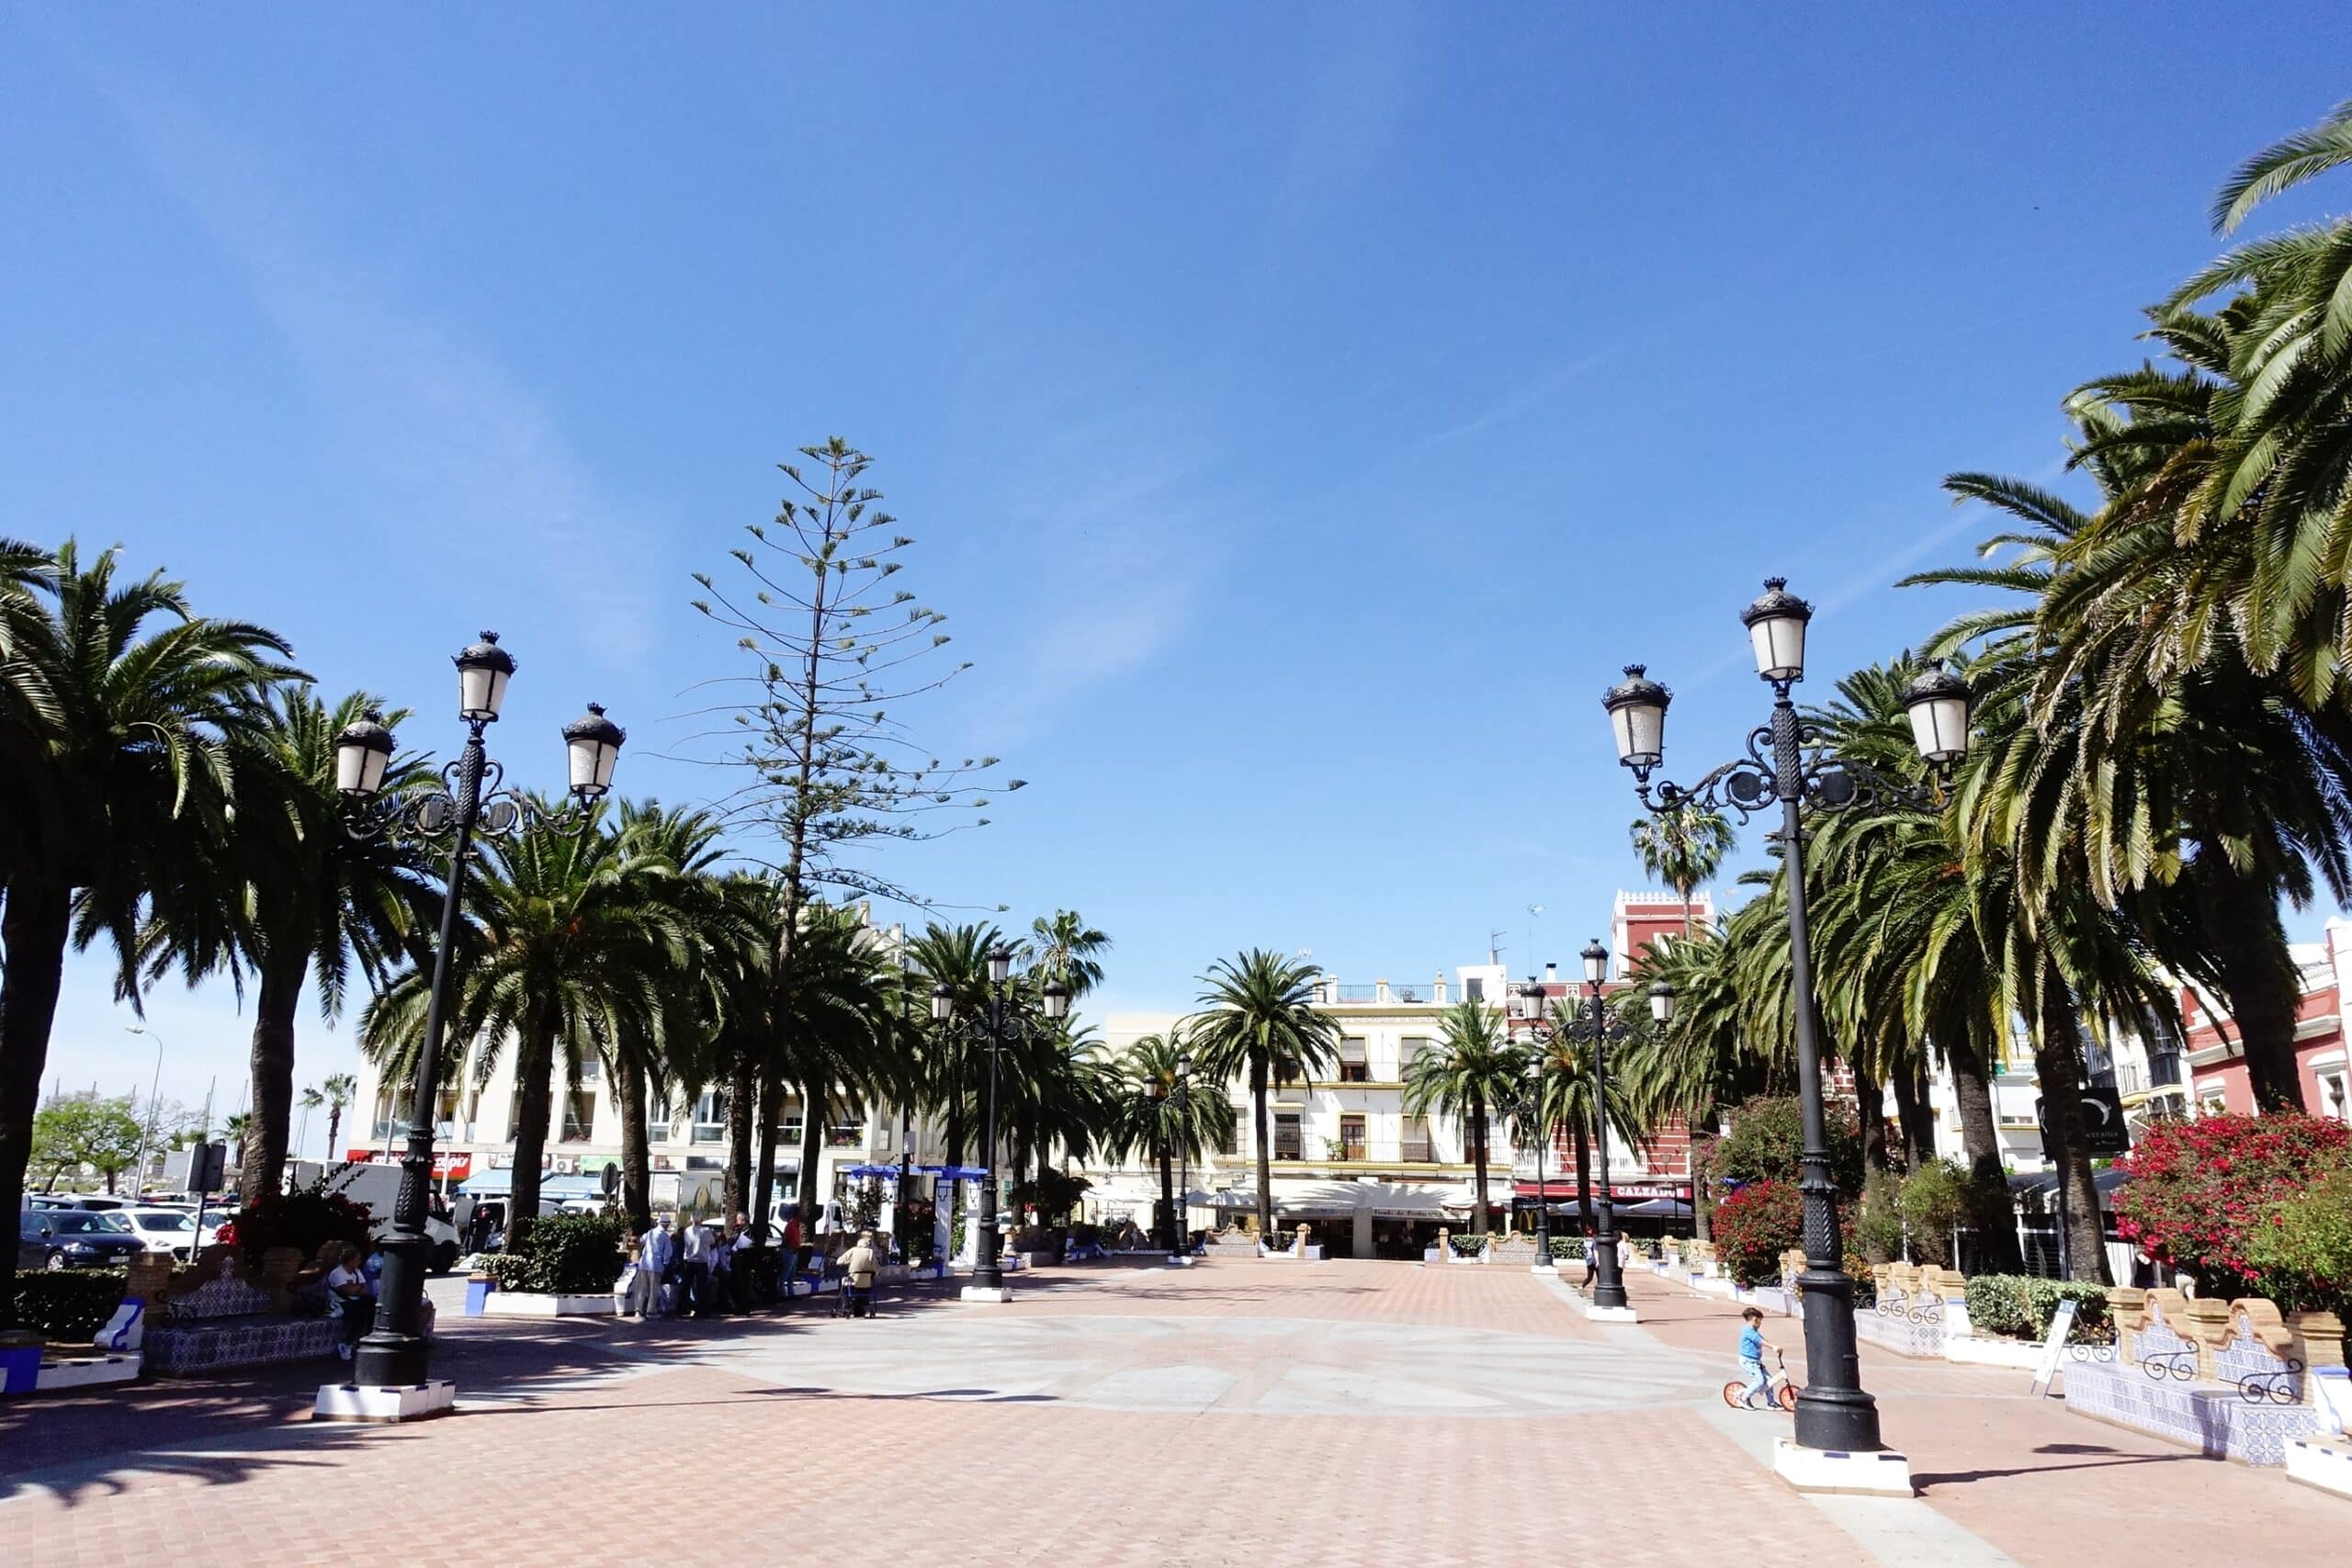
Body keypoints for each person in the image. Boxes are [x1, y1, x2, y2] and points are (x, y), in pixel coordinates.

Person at [325, 1244, 371, 1360]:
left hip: (355, 1299)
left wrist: (355, 1289)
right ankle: (347, 1344)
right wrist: (357, 1288)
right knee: (359, 1316)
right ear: (350, 1260)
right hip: (339, 1302)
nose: (360, 1261)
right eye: (357, 1259)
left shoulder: (356, 1271)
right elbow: (347, 1290)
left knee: (373, 1307)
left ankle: (367, 1340)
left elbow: (365, 1289)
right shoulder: (338, 1273)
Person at [1736, 1306, 1781, 1409]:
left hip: (1756, 1361)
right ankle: (1743, 1398)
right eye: (1760, 1321)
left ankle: (1771, 1403)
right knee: (1759, 1381)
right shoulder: (1748, 1330)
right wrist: (1773, 1347)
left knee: (1770, 1380)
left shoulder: (1754, 1330)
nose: (1760, 1324)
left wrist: (1773, 1346)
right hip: (1748, 1361)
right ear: (1754, 1320)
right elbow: (1759, 1341)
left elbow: (1761, 1339)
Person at [634, 1215, 675, 1319]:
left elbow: (642, 1240)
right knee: (654, 1289)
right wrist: (665, 1263)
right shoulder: (665, 1236)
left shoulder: (650, 1233)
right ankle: (650, 1311)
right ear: (667, 1225)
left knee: (642, 1289)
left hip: (643, 1264)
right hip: (656, 1265)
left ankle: (638, 1310)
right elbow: (668, 1253)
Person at [840, 1229, 879, 1318]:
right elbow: (876, 1268)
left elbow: (840, 1261)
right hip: (866, 1282)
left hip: (853, 1280)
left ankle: (846, 1308)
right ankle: (859, 1309)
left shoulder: (853, 1250)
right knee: (864, 1291)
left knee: (845, 1289)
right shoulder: (871, 1252)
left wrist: (847, 1263)